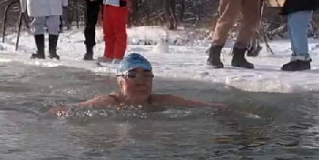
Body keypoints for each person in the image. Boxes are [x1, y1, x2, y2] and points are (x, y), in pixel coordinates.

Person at [48, 53, 223, 112]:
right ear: (120, 81)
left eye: (147, 75)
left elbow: (207, 106)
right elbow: (71, 109)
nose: (141, 81)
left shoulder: (160, 101)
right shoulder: (108, 102)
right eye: (133, 75)